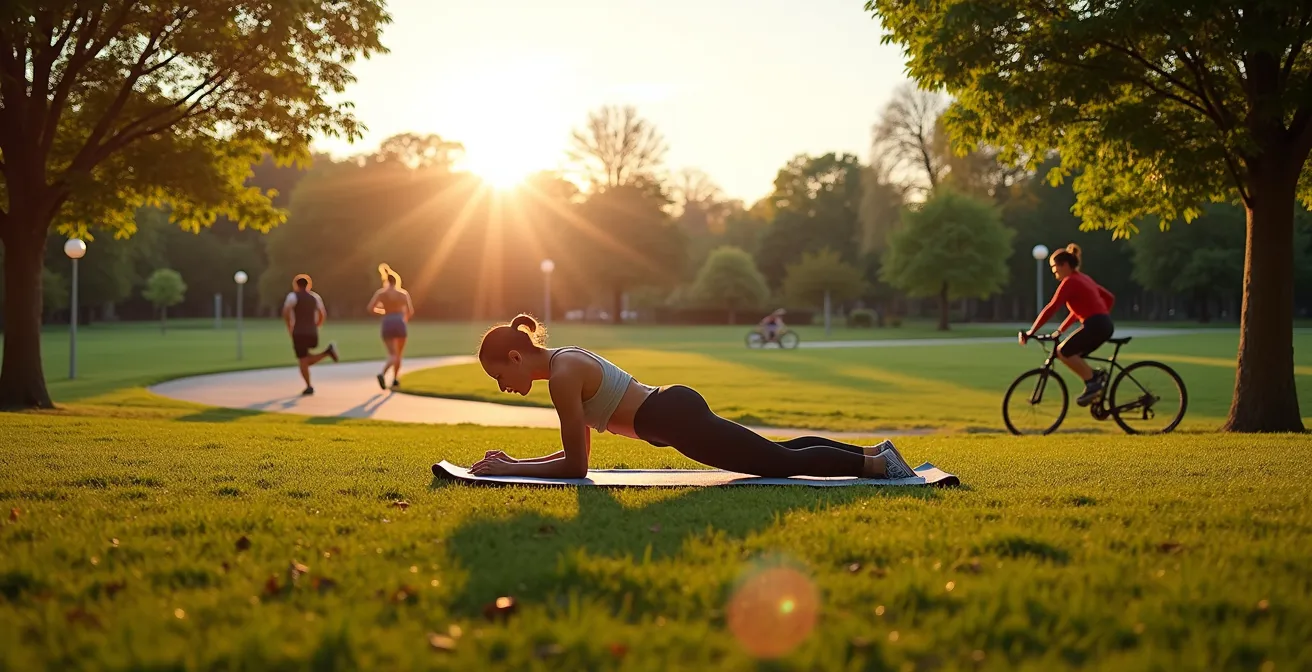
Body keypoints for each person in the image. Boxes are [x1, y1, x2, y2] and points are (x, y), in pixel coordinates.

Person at [468, 314, 919, 480]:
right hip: (674, 410)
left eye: (499, 374)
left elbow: (576, 468)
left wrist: (509, 467)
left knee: (780, 465)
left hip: (674, 418)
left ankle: (878, 467)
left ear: (515, 355)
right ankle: (873, 454)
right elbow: (575, 456)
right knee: (775, 454)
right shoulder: (565, 366)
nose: (501, 385)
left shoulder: (564, 376)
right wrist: (515, 465)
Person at [1021, 243, 1115, 407]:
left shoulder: (1070, 282)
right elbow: (1108, 299)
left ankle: (1093, 382)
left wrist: (1031, 331)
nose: (1053, 271)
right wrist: (1061, 329)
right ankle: (1095, 377)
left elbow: (1052, 307)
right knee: (1072, 353)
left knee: (1063, 351)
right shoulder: (1083, 278)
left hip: (1095, 325)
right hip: (1102, 324)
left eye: (1054, 267)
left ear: (1064, 265)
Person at [281, 274, 338, 395]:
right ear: (309, 285)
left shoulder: (293, 296)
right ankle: (327, 353)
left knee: (302, 360)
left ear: (296, 285)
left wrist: (289, 326)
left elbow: (286, 311)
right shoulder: (315, 297)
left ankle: (309, 385)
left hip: (299, 331)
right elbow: (322, 313)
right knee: (305, 359)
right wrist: (317, 325)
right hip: (312, 332)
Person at [366, 263, 415, 390]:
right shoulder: (403, 294)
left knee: (392, 354)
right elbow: (410, 311)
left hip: (387, 322)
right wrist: (403, 318)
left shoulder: (381, 293)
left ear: (386, 281)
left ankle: (391, 377)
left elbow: (371, 308)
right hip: (400, 322)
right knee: (398, 354)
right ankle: (392, 377)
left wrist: (384, 312)